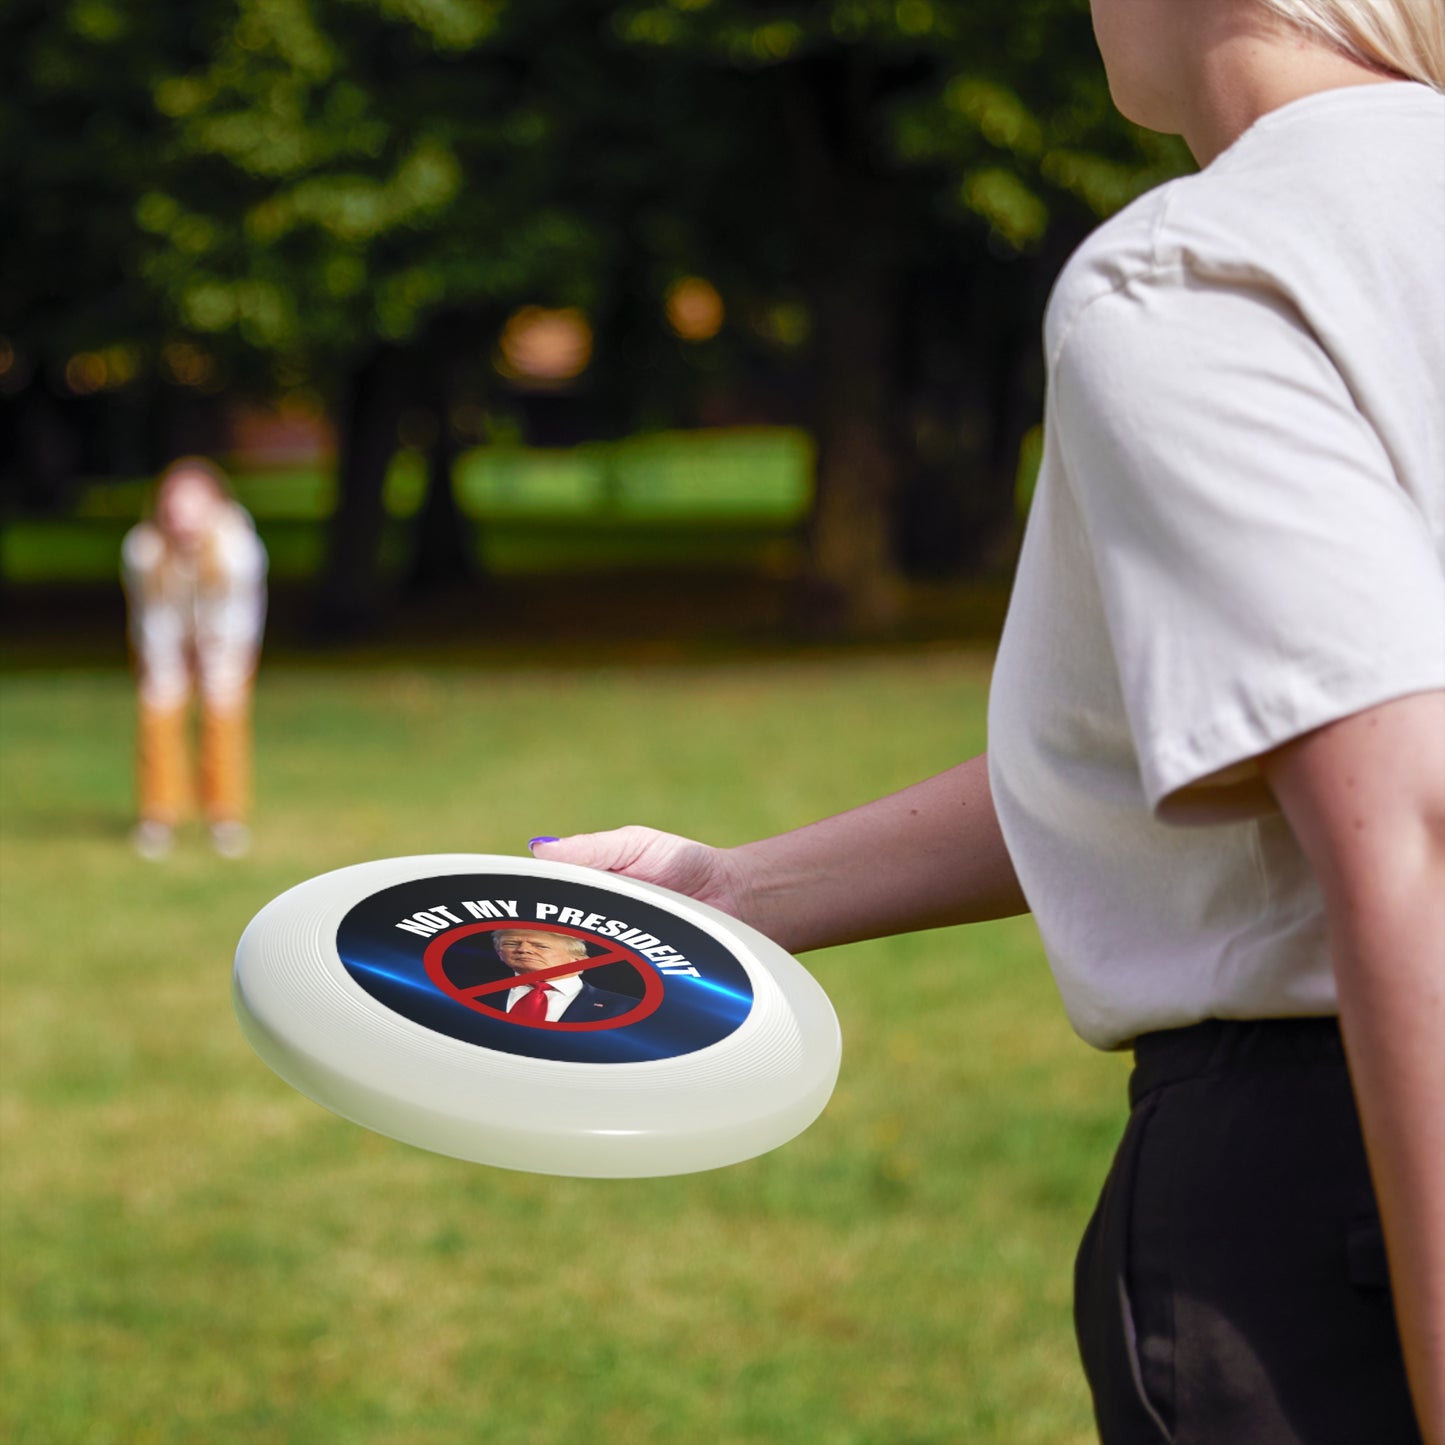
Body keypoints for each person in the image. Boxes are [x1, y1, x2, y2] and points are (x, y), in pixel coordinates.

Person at [528, 2, 1445, 1440]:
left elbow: (1409, 822)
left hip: (1342, 1191)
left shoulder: (1204, 269)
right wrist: (736, 889)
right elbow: (1219, 740)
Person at [121, 457, 268, 860]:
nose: (182, 517)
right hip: (165, 641)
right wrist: (168, 665)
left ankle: (225, 817)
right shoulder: (143, 549)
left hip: (226, 642)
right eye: (174, 506)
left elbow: (239, 616)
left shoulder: (238, 548)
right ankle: (158, 816)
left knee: (223, 717)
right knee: (158, 713)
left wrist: (215, 659)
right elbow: (152, 616)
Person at [487, 929, 638, 1023]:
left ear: (578, 960)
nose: (523, 949)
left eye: (540, 946)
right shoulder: (475, 996)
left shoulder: (626, 1008)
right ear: (499, 953)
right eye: (511, 944)